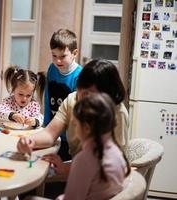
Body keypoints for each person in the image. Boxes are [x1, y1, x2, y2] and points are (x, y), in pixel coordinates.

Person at [17, 59, 129, 176]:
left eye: (88, 93)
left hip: (98, 178)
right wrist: (30, 141)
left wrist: (66, 168)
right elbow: (50, 134)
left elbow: (109, 163)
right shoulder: (72, 100)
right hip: (77, 167)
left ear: (106, 95)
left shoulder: (118, 113)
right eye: (80, 90)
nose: (80, 98)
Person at [56, 93, 131, 200]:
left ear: (86, 128)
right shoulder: (118, 153)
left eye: (76, 124)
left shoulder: (83, 160)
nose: (75, 129)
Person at [44, 28, 83, 161]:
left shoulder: (80, 76)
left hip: (69, 137)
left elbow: (77, 111)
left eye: (62, 56)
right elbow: (47, 97)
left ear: (74, 53)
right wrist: (46, 124)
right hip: (52, 131)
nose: (58, 61)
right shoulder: (52, 69)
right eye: (54, 56)